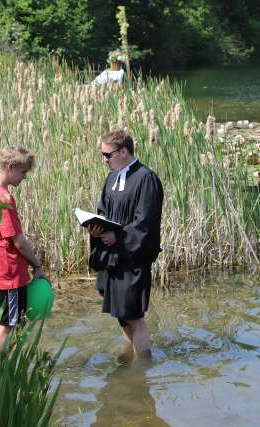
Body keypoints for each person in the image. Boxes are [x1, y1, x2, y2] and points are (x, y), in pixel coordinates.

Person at [88, 130, 163, 359]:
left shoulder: (146, 178)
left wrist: (118, 237)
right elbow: (103, 211)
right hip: (112, 255)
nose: (104, 160)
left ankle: (143, 368)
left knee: (134, 315)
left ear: (124, 151)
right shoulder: (112, 178)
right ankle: (128, 356)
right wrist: (96, 228)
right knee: (121, 315)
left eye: (107, 155)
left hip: (133, 257)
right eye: (102, 154)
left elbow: (146, 223)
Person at [0, 146, 46, 351]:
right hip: (10, 275)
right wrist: (36, 264)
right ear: (10, 167)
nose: (25, 177)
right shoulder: (3, 198)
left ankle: (6, 362)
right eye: (23, 172)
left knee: (10, 319)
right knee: (7, 324)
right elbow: (18, 241)